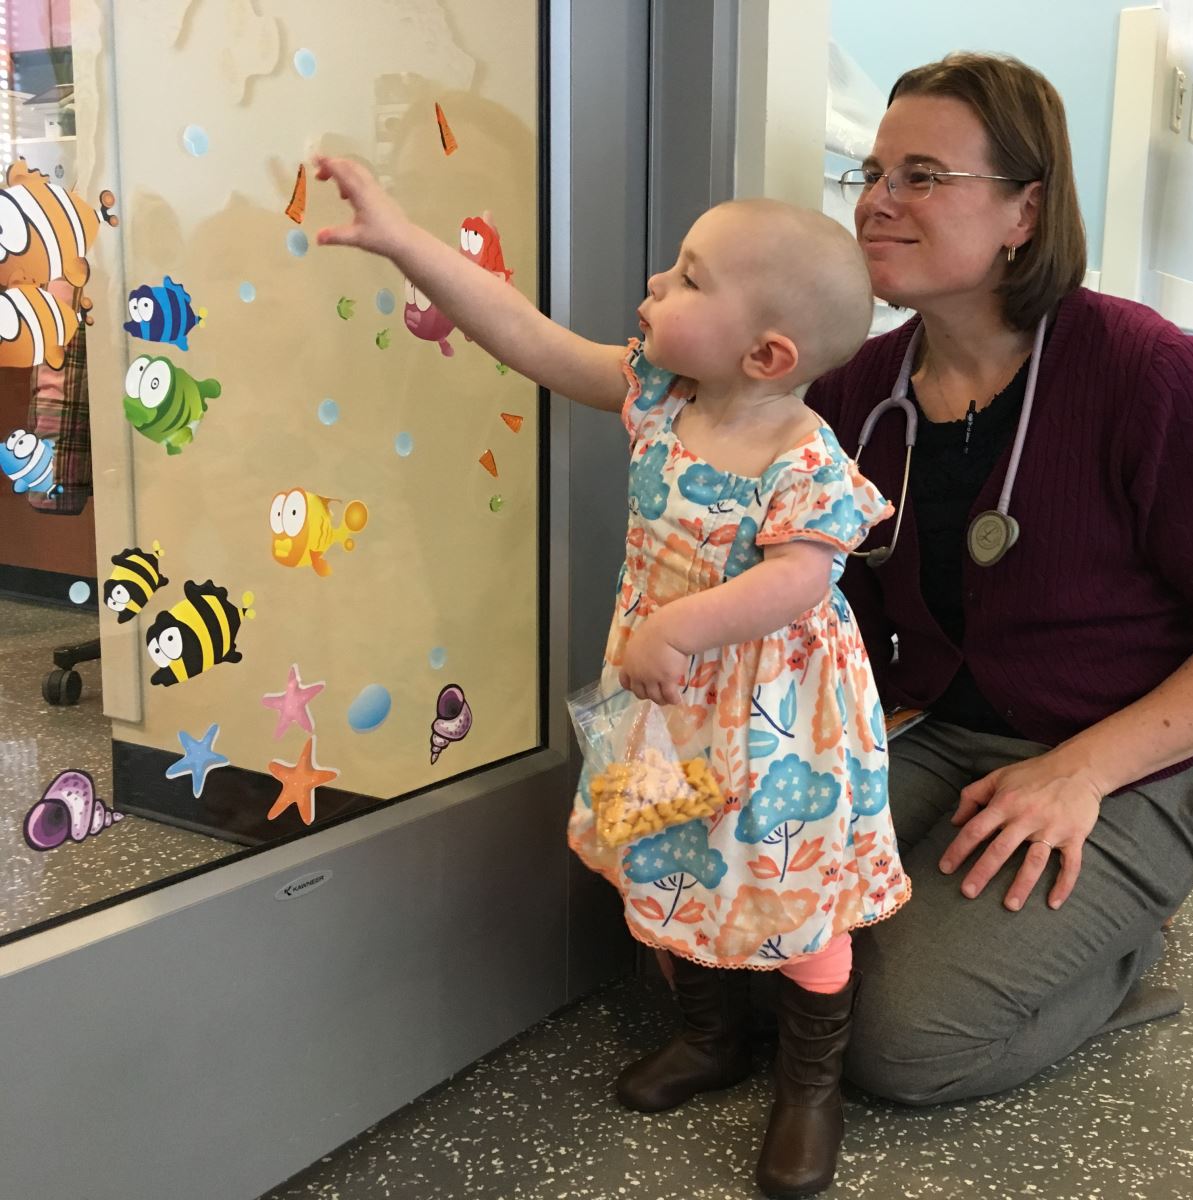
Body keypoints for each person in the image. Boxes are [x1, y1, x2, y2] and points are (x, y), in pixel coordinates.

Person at [314, 158, 910, 1197]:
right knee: (671, 855)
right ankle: (710, 1033)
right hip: (667, 708)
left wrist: (679, 625)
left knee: (788, 887)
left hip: (775, 722)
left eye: (684, 280)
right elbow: (532, 340)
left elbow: (799, 582)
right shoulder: (659, 397)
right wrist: (410, 244)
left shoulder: (802, 457)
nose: (652, 286)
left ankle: (809, 1083)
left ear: (766, 351)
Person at [803, 53, 1193, 1106]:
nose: (876, 201)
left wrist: (1081, 773)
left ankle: (1122, 954)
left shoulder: (1144, 374)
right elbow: (832, 609)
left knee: (898, 1044)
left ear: (1023, 211)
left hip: (1124, 763)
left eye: (921, 175)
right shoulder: (859, 391)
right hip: (938, 734)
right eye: (871, 172)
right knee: (758, 945)